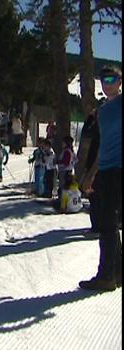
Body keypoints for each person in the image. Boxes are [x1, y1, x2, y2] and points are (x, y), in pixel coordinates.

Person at [79, 65, 122, 291]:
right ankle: (117, 272)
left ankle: (106, 276)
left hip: (118, 170)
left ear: (120, 81)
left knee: (107, 223)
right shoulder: (103, 110)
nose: (107, 83)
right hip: (104, 170)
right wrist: (90, 174)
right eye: (104, 79)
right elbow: (103, 146)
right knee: (108, 222)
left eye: (112, 78)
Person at [77, 109, 101, 234]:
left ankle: (98, 225)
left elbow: (87, 132)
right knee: (94, 197)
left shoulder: (100, 128)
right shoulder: (94, 126)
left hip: (97, 166)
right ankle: (97, 224)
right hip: (91, 163)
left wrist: (90, 120)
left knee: (95, 196)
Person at [56, 136, 76, 201]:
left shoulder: (67, 151)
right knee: (65, 186)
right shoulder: (70, 151)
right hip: (68, 170)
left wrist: (58, 161)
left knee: (63, 187)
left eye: (63, 142)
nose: (62, 144)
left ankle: (62, 201)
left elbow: (66, 162)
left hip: (65, 171)